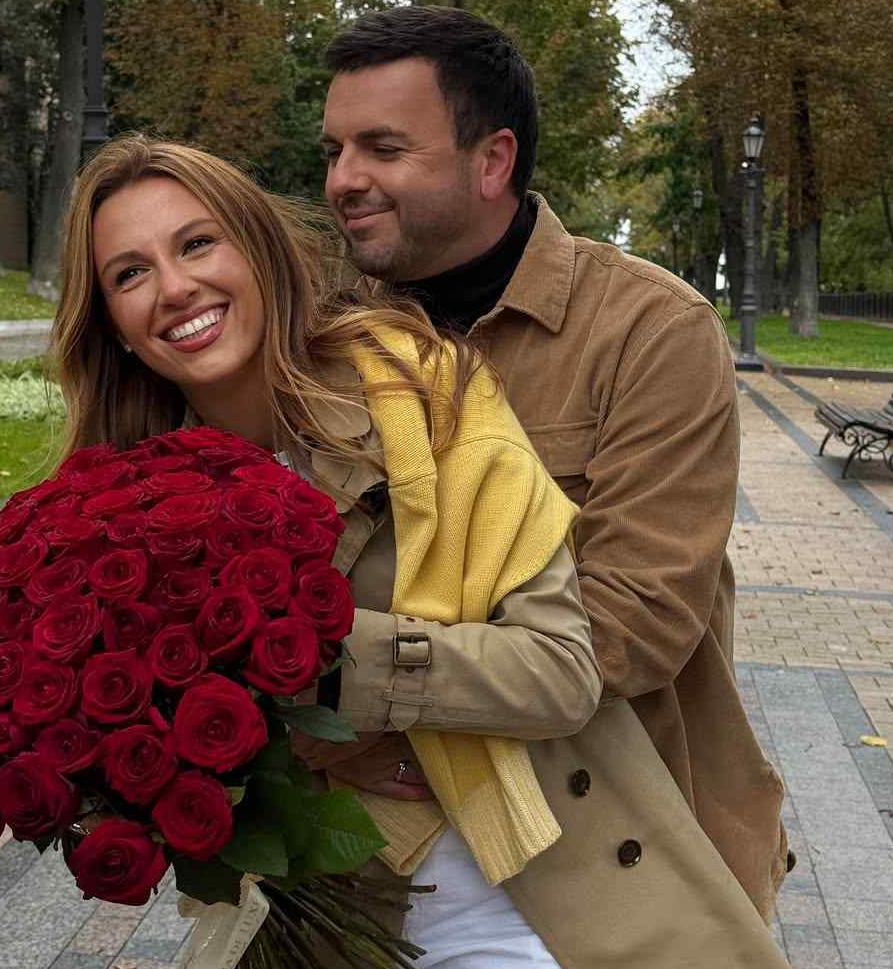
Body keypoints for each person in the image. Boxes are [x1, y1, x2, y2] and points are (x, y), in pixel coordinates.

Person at [50, 135, 790, 969]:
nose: (175, 286)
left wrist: (326, 674)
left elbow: (560, 669)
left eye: (196, 243)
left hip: (537, 900)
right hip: (329, 914)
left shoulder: (425, 391)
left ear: (257, 250)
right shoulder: (118, 509)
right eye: (130, 273)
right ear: (112, 323)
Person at [316, 2, 790, 929]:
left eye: (382, 148)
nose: (344, 179)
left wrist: (366, 698)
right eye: (334, 150)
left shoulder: (650, 329)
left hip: (608, 849)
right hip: (367, 848)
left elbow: (635, 622)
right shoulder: (324, 335)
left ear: (492, 160)